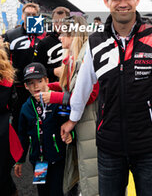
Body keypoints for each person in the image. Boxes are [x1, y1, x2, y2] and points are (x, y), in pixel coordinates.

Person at [61, 0, 152, 196]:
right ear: (106, 2)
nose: (122, 3)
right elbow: (82, 87)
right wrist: (73, 119)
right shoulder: (95, 41)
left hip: (148, 146)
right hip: (109, 147)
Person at [37, 16, 99, 196]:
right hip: (78, 123)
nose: (59, 38)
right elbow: (69, 87)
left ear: (74, 35)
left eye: (63, 33)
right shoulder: (73, 58)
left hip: (88, 123)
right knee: (81, 170)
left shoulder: (86, 57)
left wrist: (54, 96)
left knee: (91, 173)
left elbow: (89, 94)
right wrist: (48, 87)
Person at [14, 62, 72, 196]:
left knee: (57, 192)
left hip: (58, 158)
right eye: (31, 83)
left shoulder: (57, 101)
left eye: (39, 81)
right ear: (25, 86)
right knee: (43, 192)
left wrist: (71, 136)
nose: (35, 86)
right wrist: (20, 159)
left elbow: (70, 125)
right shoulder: (26, 108)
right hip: (38, 162)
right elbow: (22, 136)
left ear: (46, 80)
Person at [2, 2, 46, 131]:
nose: (30, 17)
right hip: (18, 86)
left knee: (39, 118)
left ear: (37, 16)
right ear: (22, 16)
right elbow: (5, 61)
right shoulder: (11, 35)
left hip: (38, 85)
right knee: (18, 119)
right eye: (27, 14)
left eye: (33, 15)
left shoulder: (43, 36)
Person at [0, 46, 23, 196]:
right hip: (4, 135)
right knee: (3, 175)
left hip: (4, 135)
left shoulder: (7, 84)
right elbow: (14, 105)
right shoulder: (8, 82)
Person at [33, 6, 70, 82]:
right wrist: (53, 71)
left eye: (62, 21)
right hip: (52, 87)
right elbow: (36, 68)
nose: (59, 24)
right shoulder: (44, 43)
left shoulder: (76, 40)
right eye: (56, 21)